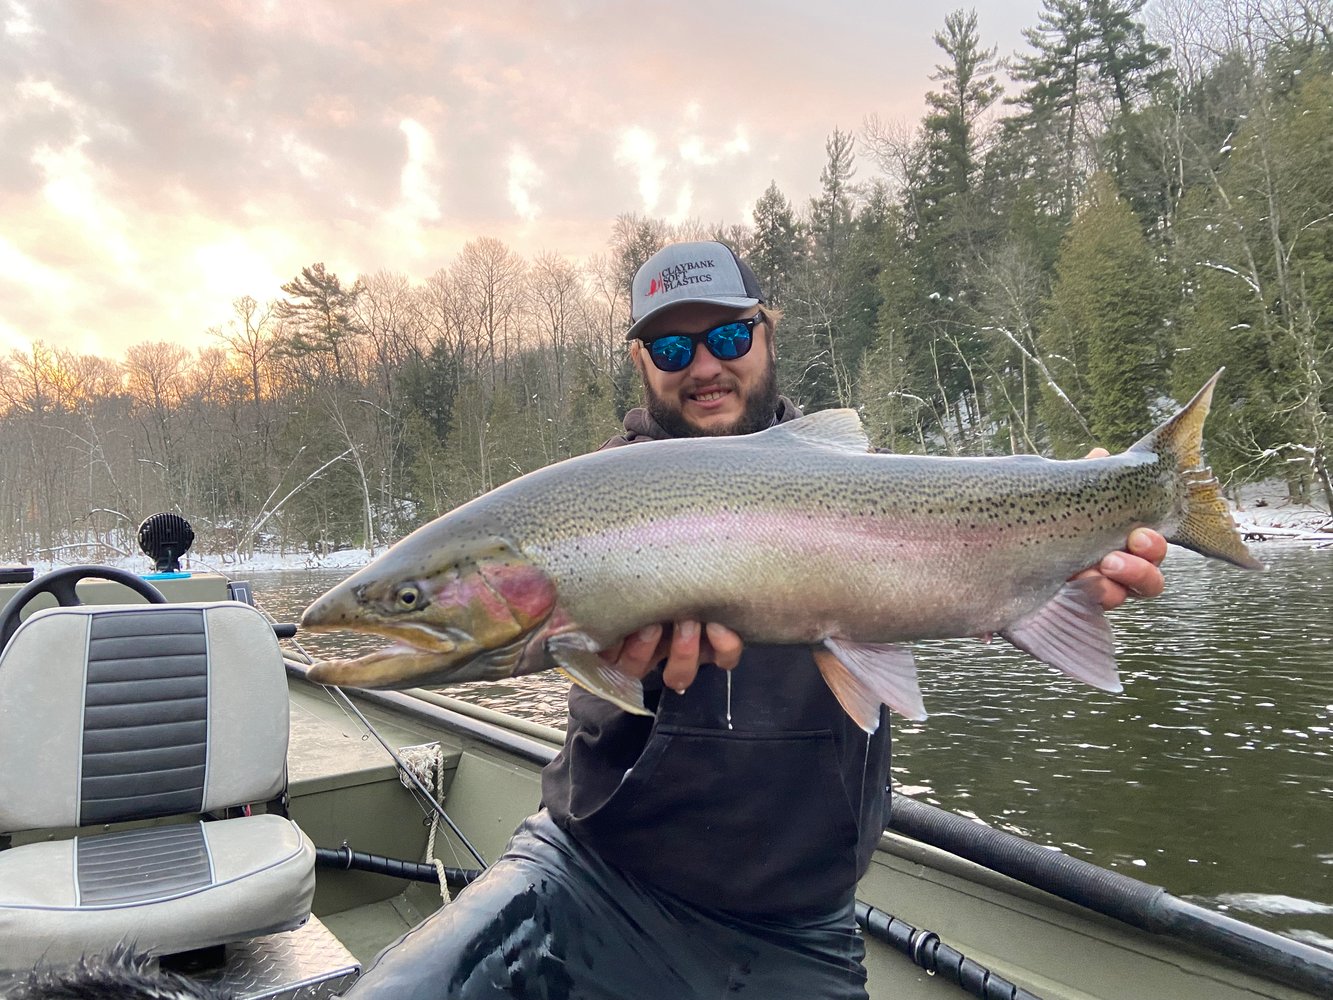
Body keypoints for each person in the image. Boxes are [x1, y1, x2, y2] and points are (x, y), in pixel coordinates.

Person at [346, 242, 1168, 999]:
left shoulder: (867, 486)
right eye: (671, 349)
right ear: (641, 362)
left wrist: (1077, 532)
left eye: (728, 338)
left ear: (765, 333)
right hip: (590, 875)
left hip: (795, 926)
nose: (702, 365)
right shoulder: (588, 495)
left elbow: (980, 575)